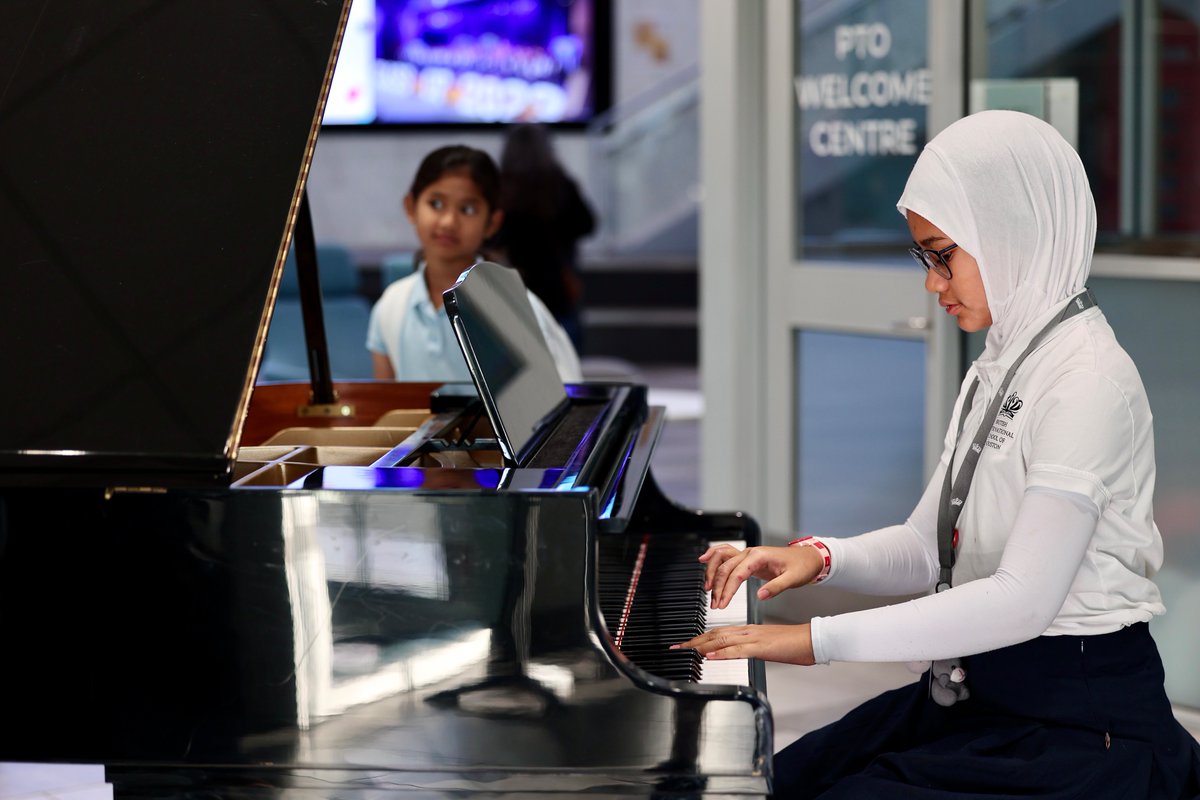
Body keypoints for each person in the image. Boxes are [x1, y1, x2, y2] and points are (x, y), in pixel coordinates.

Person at [674, 111, 1200, 798]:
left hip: (1078, 723)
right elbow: (928, 547)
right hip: (979, 692)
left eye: (942, 254)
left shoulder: (1088, 381)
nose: (932, 282)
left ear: (1009, 232)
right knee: (776, 780)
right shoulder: (1003, 361)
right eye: (925, 256)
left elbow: (1023, 602)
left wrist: (809, 640)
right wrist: (817, 558)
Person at [366, 145, 582, 383]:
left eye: (467, 209)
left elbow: (555, 406)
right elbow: (386, 405)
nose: (448, 222)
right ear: (411, 207)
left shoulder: (515, 307)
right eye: (436, 204)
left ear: (492, 223)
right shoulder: (391, 305)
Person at [492, 123, 596, 353]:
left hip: (514, 286)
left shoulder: (500, 188)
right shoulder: (560, 185)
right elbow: (587, 225)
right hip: (557, 283)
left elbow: (489, 239)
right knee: (566, 364)